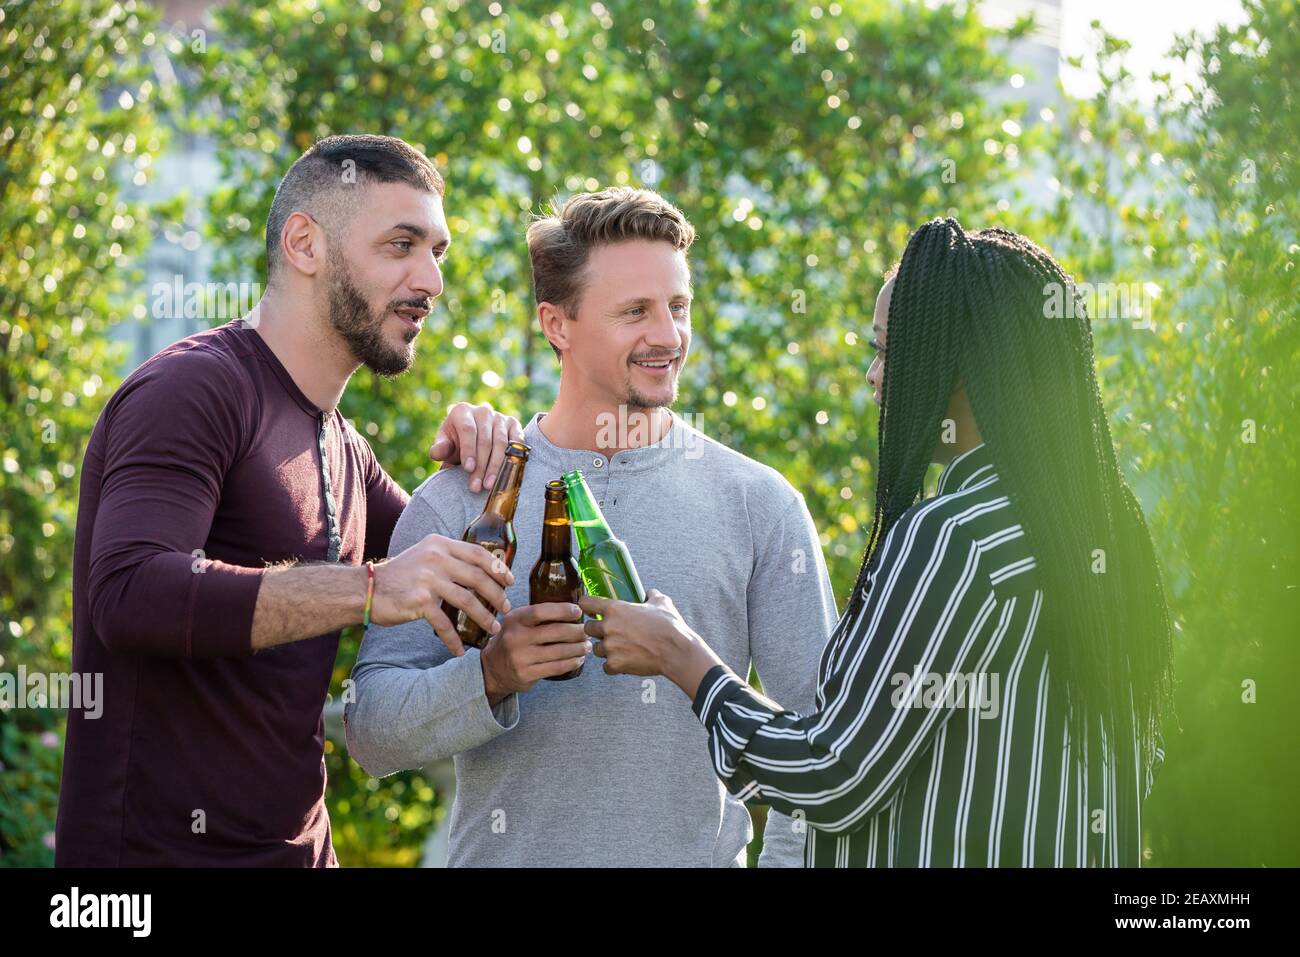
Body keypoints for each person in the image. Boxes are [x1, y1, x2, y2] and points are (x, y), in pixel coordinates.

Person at [581, 219, 1173, 867]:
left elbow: (831, 775)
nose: (872, 375)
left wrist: (683, 657)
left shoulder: (951, 539)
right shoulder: (1101, 534)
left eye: (890, 351)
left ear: (961, 367)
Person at [56, 134, 523, 866]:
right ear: (305, 243)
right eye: (401, 244)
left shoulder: (345, 447)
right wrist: (370, 588)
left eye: (438, 251)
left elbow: (465, 584)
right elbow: (128, 591)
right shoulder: (192, 392)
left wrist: (488, 464)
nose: (431, 278)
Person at [345, 187, 838, 867]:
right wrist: (489, 676)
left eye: (678, 306)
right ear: (558, 324)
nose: (667, 335)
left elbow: (820, 747)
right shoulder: (465, 500)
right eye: (635, 311)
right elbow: (371, 728)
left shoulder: (760, 505)